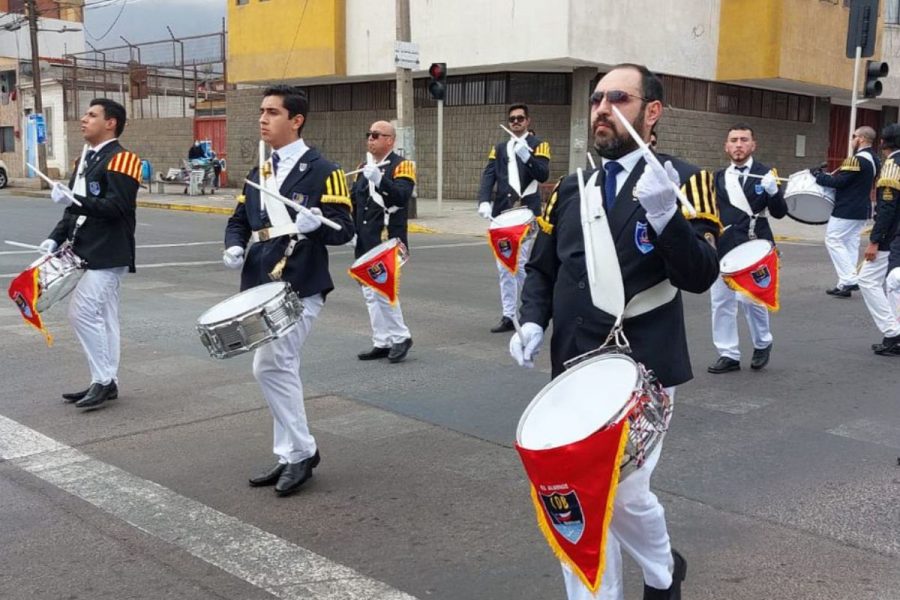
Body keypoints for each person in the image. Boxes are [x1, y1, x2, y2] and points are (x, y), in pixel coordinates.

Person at [510, 64, 720, 600]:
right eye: (597, 98)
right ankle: (651, 575)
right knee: (580, 498)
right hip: (575, 365)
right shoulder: (571, 188)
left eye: (618, 98)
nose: (601, 108)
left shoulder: (686, 179)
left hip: (642, 365)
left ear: (651, 111)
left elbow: (698, 276)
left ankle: (661, 573)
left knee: (622, 493)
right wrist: (532, 318)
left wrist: (666, 215)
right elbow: (541, 267)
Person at [223, 85, 354, 496]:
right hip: (261, 283)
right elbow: (240, 219)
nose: (263, 118)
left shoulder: (323, 169)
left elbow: (345, 230)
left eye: (273, 112)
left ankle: (302, 452)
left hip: (300, 281)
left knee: (270, 366)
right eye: (262, 111)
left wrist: (320, 225)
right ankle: (288, 453)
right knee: (283, 368)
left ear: (296, 120)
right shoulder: (260, 170)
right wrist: (232, 243)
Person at [40, 98, 139, 410]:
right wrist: (54, 239)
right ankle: (106, 381)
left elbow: (117, 208)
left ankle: (104, 380)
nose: (83, 119)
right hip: (83, 249)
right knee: (106, 319)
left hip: (109, 250)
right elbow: (73, 211)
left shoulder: (124, 160)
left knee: (81, 312)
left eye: (92, 115)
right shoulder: (83, 160)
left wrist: (75, 199)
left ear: (110, 123)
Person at [707, 124, 787, 374]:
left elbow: (780, 212)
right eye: (733, 140)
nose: (738, 145)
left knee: (752, 299)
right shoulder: (718, 177)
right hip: (725, 244)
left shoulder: (766, 173)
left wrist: (774, 193)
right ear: (726, 146)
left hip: (755, 243)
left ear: (753, 145)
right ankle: (728, 353)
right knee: (721, 301)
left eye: (744, 140)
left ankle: (763, 342)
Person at [477, 104, 551, 333]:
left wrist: (527, 156)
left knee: (522, 264)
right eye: (512, 119)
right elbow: (489, 175)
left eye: (520, 118)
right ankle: (508, 315)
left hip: (527, 212)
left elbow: (543, 174)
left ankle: (532, 311)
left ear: (528, 121)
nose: (516, 122)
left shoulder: (539, 145)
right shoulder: (499, 148)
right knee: (504, 267)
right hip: (503, 213)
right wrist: (484, 200)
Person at [350, 120, 416, 363]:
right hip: (366, 240)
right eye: (369, 134)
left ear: (390, 140)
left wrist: (380, 179)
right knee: (370, 293)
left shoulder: (402, 166)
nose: (370, 139)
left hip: (388, 239)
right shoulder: (362, 166)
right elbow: (355, 202)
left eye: (376, 135)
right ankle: (382, 340)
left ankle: (401, 337)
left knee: (384, 290)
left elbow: (402, 196)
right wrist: (352, 230)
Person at [815, 126, 879, 298]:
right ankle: (844, 284)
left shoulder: (857, 159)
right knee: (850, 243)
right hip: (861, 208)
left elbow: (840, 182)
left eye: (854, 136)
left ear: (861, 139)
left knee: (833, 239)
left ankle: (849, 279)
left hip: (846, 208)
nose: (852, 139)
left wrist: (818, 176)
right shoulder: (874, 159)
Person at [859, 123, 900, 355]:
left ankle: (893, 333)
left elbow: (887, 208)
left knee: (867, 280)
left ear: (883, 143)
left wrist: (875, 240)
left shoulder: (893, 165)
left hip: (891, 237)